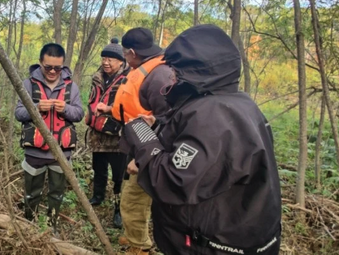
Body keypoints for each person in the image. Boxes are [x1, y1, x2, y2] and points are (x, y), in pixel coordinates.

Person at [120, 24, 281, 255]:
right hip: (242, 237)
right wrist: (158, 126)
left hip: (213, 245)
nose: (171, 77)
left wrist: (142, 138)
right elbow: (206, 157)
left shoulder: (212, 115)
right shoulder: (240, 104)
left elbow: (172, 180)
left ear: (193, 72)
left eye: (175, 70)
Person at [111, 28, 175, 255]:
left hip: (151, 154)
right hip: (139, 144)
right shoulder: (149, 69)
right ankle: (134, 237)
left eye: (125, 55)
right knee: (133, 198)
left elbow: (171, 124)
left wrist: (141, 160)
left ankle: (139, 247)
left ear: (132, 52)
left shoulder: (160, 75)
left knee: (133, 200)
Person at [14, 43, 84, 233]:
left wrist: (66, 109)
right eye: (48, 67)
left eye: (58, 68)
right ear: (40, 63)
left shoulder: (71, 87)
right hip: (34, 152)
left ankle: (52, 227)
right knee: (31, 194)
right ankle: (30, 225)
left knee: (57, 194)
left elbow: (79, 114)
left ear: (63, 65)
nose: (53, 71)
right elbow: (18, 113)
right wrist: (36, 108)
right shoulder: (28, 84)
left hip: (61, 153)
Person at [86, 38, 131, 229]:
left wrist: (109, 109)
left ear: (121, 61)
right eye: (104, 58)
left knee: (119, 176)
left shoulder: (129, 79)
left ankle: (118, 208)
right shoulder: (97, 77)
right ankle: (97, 196)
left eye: (111, 59)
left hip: (118, 136)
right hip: (98, 134)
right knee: (99, 168)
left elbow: (130, 107)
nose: (106, 62)